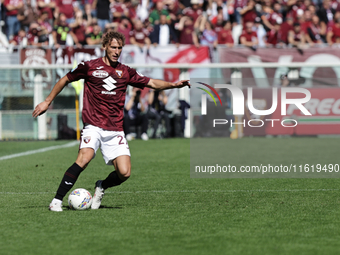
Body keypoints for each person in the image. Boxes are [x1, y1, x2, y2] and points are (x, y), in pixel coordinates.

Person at [32, 31, 190, 212]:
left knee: (125, 172)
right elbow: (65, 80)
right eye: (113, 47)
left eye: (119, 48)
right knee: (85, 158)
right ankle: (57, 200)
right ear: (105, 47)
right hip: (93, 125)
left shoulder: (125, 72)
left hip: (115, 129)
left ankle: (101, 186)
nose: (116, 51)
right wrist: (47, 101)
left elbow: (152, 83)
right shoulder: (89, 66)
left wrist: (174, 84)